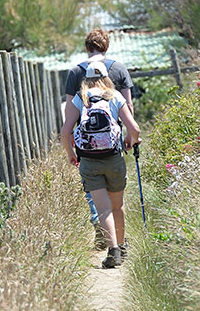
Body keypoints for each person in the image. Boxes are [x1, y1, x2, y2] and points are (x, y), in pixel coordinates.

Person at [61, 61, 141, 268]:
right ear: (107, 77)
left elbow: (65, 131)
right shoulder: (115, 96)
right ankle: (122, 247)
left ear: (85, 79)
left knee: (103, 210)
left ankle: (112, 250)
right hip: (114, 158)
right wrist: (130, 141)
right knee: (117, 206)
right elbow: (135, 129)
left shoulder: (81, 98)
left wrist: (71, 154)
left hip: (88, 160)